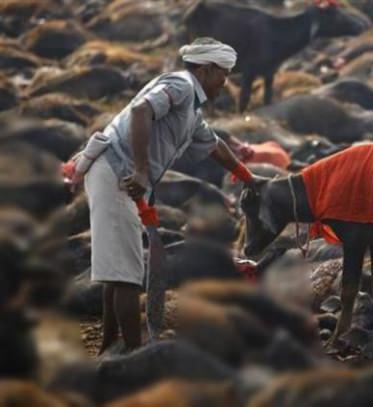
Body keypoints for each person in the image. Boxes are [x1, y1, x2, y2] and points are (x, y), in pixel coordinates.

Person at [64, 37, 260, 355]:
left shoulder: (191, 111)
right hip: (120, 174)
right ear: (207, 69)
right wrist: (141, 171)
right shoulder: (181, 85)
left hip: (117, 174)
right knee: (127, 276)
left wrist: (250, 178)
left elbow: (214, 146)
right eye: (224, 75)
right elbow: (142, 110)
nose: (226, 84)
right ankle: (135, 355)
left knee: (117, 270)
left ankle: (110, 347)